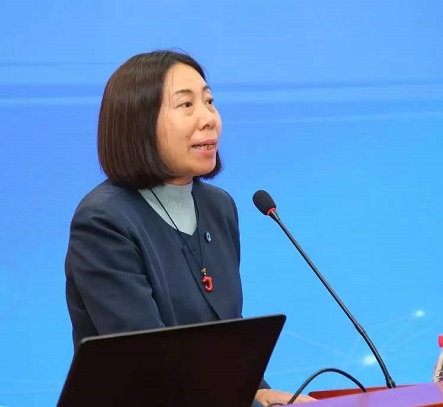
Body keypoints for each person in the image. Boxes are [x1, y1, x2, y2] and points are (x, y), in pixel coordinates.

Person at [64, 50, 315, 406]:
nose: (208, 118)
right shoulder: (104, 221)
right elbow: (149, 360)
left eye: (209, 101)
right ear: (138, 123)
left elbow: (224, 333)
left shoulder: (218, 206)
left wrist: (260, 391)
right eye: (186, 105)